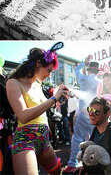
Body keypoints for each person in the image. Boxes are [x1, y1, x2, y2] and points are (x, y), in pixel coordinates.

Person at [6, 47, 70, 175]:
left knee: (57, 172)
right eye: (49, 70)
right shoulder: (13, 83)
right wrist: (53, 98)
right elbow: (23, 116)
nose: (49, 75)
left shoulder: (38, 84)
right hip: (25, 141)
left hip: (44, 140)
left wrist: (59, 99)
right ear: (38, 64)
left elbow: (43, 111)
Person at [63, 56, 101, 174]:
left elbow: (76, 70)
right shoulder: (99, 82)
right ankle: (94, 163)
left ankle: (72, 163)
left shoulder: (83, 79)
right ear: (97, 71)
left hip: (84, 112)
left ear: (89, 70)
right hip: (95, 113)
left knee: (77, 138)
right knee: (95, 138)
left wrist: (83, 63)